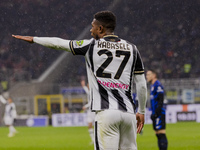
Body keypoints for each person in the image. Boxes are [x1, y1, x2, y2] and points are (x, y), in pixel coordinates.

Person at [12, 11, 147, 150]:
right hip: (129, 113)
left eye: (93, 26)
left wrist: (35, 39)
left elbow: (59, 43)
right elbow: (141, 84)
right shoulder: (132, 49)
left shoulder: (91, 46)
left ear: (100, 29)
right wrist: (141, 111)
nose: (90, 30)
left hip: (106, 112)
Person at [146, 69, 168, 150]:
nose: (146, 77)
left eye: (148, 75)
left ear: (154, 75)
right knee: (157, 133)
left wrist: (157, 112)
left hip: (159, 113)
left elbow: (161, 99)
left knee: (161, 133)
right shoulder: (152, 86)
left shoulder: (157, 84)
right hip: (155, 113)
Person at [81, 79, 95, 144]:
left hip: (94, 111)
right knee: (89, 125)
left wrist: (85, 106)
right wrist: (83, 86)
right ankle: (93, 140)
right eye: (87, 85)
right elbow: (87, 91)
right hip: (89, 111)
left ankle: (98, 139)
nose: (88, 86)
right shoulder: (89, 92)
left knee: (97, 126)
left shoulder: (93, 93)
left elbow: (91, 102)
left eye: (88, 85)